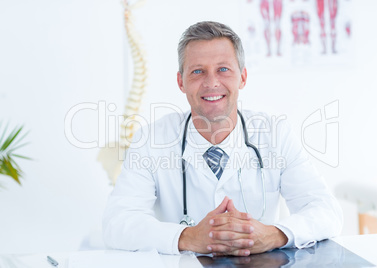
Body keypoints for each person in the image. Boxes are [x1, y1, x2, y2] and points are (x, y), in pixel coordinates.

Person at [103, 21, 343, 256]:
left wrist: (272, 235)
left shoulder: (275, 133)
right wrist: (187, 237)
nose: (211, 82)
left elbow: (327, 212)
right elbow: (117, 222)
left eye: (223, 69)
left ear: (243, 77)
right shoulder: (151, 139)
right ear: (181, 82)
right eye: (197, 71)